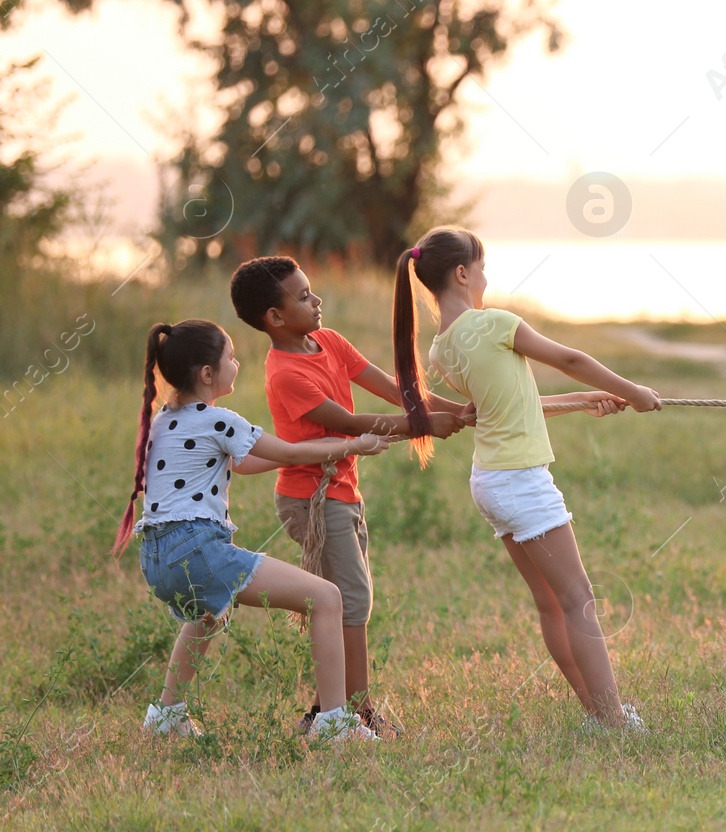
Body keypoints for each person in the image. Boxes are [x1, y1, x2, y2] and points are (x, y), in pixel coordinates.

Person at [391, 226, 659, 729]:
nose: (487, 278)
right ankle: (614, 722)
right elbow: (571, 359)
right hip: (520, 481)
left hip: (490, 482)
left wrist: (583, 402)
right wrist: (635, 390)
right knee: (579, 601)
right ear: (463, 273)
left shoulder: (441, 351)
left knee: (553, 605)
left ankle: (598, 713)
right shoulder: (493, 323)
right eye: (483, 267)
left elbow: (507, 409)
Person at [114, 320, 395, 743]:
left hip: (156, 558)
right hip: (197, 550)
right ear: (207, 374)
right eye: (230, 357)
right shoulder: (218, 421)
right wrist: (354, 444)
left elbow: (246, 462)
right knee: (326, 597)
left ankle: (167, 715)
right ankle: (334, 723)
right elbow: (291, 450)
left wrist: (304, 458)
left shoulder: (163, 421)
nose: (237, 363)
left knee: (209, 614)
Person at [230, 256, 472, 737]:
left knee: (344, 601)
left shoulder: (330, 341)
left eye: (311, 290)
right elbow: (350, 424)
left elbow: (396, 388)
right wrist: (423, 426)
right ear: (274, 319)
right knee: (350, 601)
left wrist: (459, 409)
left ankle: (323, 711)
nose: (316, 300)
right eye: (302, 297)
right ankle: (356, 712)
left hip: (343, 493)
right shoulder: (285, 374)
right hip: (313, 501)